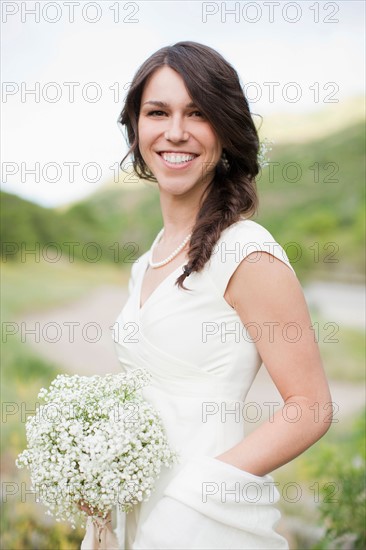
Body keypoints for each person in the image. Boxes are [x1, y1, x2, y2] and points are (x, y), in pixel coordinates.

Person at [112, 41, 332, 550]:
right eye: (157, 112)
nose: (175, 132)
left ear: (226, 131)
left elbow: (311, 406)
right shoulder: (147, 262)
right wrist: (100, 473)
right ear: (136, 127)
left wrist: (193, 496)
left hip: (201, 516)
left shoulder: (247, 252)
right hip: (135, 502)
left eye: (198, 113)